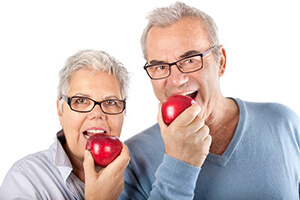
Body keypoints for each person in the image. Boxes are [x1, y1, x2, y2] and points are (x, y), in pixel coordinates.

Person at [120, 2, 300, 199]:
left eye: (190, 60)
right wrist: (179, 163)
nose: (176, 80)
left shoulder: (283, 123)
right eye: (160, 67)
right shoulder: (132, 159)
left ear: (220, 62)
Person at [0, 50, 130, 199]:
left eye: (111, 102)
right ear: (60, 111)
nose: (97, 113)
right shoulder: (24, 181)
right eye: (81, 101)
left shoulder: (139, 173)